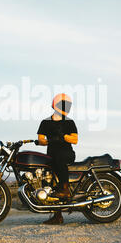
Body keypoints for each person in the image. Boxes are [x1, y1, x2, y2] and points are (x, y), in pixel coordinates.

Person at [36, 93, 78, 225]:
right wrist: (46, 141)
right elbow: (40, 139)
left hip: (67, 153)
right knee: (48, 180)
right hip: (51, 155)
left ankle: (65, 189)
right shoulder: (45, 122)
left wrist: (63, 136)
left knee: (59, 157)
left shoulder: (69, 122)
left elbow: (75, 139)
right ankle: (57, 216)